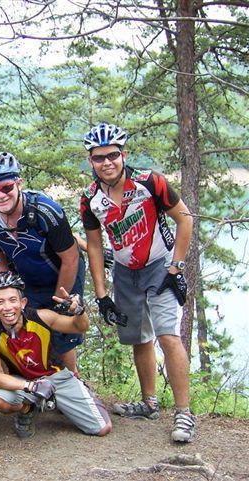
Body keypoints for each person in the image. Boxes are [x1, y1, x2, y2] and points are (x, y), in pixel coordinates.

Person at [79, 122, 195, 443]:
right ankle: (149, 402)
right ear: (91, 161)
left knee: (168, 336)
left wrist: (177, 267)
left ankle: (184, 414)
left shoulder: (149, 182)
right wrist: (102, 294)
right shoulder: (90, 199)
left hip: (160, 267)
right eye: (99, 157)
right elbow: (94, 246)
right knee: (139, 338)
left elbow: (184, 218)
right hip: (125, 273)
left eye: (113, 155)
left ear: (123, 155)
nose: (107, 162)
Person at [0, 152, 85, 372]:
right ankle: (39, 379)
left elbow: (70, 258)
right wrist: (6, 296)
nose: (1, 195)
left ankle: (73, 380)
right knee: (28, 326)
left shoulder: (46, 211)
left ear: (19, 183)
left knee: (62, 332)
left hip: (63, 271)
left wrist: (59, 299)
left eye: (7, 188)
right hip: (27, 278)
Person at [0, 271, 112, 438]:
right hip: (24, 382)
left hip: (57, 377)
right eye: (0, 302)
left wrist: (79, 311)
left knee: (102, 428)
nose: (7, 308)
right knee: (2, 401)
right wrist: (31, 386)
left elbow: (80, 327)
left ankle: (67, 397)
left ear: (23, 303)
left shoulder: (41, 317)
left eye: (12, 300)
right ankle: (28, 409)